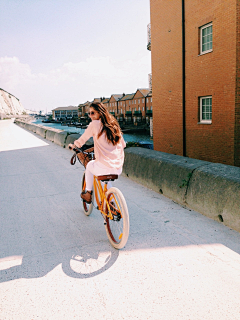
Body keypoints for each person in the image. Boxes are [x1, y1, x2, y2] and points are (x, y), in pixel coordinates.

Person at [69, 102, 126, 204]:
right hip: (118, 168)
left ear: (100, 113)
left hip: (104, 166)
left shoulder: (94, 124)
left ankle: (88, 193)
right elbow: (123, 144)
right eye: (89, 113)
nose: (90, 116)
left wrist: (74, 145)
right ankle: (111, 204)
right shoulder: (114, 124)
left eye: (92, 113)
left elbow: (82, 140)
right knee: (106, 180)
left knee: (90, 165)